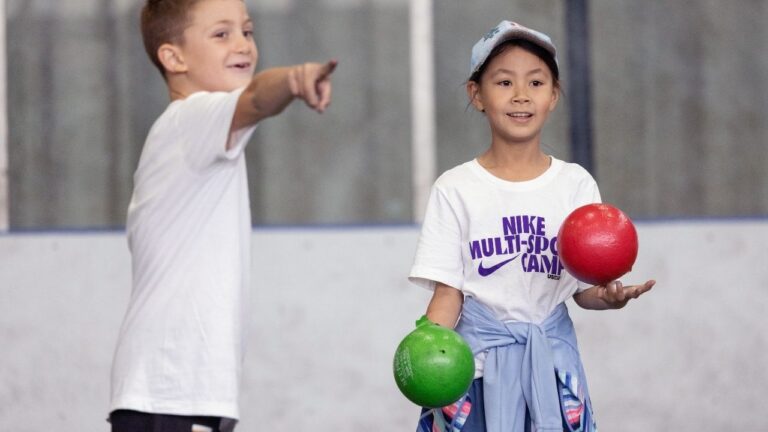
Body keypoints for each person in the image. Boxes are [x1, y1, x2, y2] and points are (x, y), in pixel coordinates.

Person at [408, 20, 655, 432]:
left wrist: (608, 295)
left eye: (536, 82)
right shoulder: (455, 188)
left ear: (553, 95)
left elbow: (582, 291)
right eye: (504, 82)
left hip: (552, 373)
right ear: (476, 94)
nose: (521, 95)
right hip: (474, 374)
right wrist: (425, 345)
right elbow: (448, 294)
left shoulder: (575, 184)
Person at [108, 0, 336, 430]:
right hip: (171, 390)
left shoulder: (194, 132)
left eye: (247, 31)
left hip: (178, 393)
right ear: (173, 57)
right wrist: (294, 79)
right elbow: (256, 98)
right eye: (221, 34)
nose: (243, 44)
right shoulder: (192, 119)